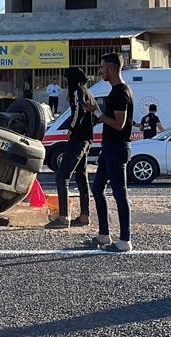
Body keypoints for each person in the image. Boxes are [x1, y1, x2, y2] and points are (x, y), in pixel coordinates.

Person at [83, 53, 135, 252]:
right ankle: (104, 235)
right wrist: (95, 111)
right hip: (109, 148)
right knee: (97, 189)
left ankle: (124, 240)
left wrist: (97, 112)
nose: (100, 71)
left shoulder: (120, 92)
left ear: (112, 69)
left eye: (103, 67)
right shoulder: (115, 91)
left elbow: (119, 124)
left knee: (119, 193)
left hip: (118, 147)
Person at [46, 67, 95, 229]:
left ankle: (63, 216)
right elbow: (93, 112)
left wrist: (72, 129)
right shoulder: (88, 91)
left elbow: (77, 112)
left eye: (67, 79)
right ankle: (84, 216)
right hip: (87, 138)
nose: (66, 82)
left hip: (77, 138)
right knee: (81, 176)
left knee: (62, 176)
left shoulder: (77, 91)